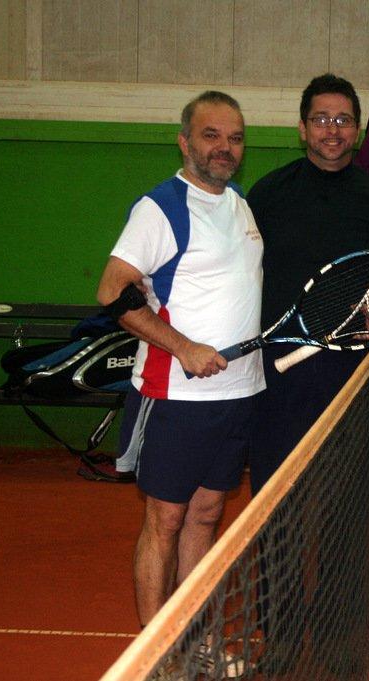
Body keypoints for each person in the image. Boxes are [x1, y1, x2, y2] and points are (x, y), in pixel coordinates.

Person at [96, 91, 265, 627]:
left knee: (207, 515)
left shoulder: (239, 203)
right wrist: (183, 347)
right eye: (211, 135)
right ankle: (157, 654)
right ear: (185, 142)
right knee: (166, 520)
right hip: (175, 396)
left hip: (238, 393)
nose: (224, 147)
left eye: (235, 138)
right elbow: (113, 292)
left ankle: (196, 643)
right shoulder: (161, 207)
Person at [244, 73, 369, 494]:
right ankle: (279, 544)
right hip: (278, 367)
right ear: (302, 128)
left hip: (349, 370)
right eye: (321, 119)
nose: (332, 130)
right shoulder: (267, 195)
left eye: (343, 120)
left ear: (357, 130)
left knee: (345, 496)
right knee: (276, 493)